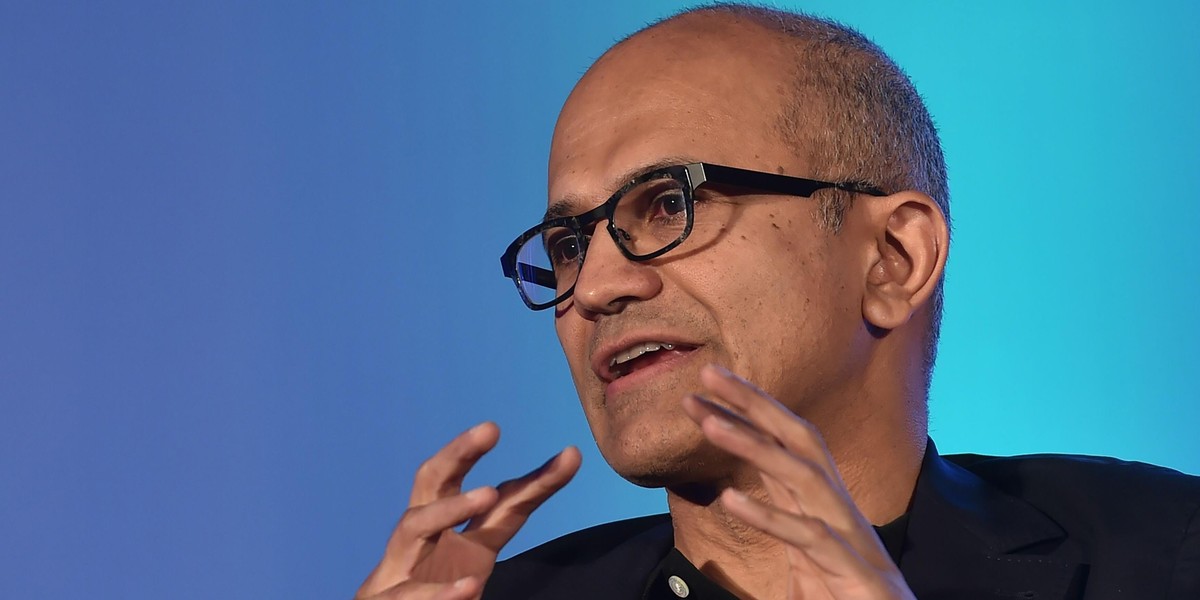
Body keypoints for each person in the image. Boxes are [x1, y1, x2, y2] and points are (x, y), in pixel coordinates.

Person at [356, 5, 1200, 599]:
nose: (598, 287)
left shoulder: (1164, 556)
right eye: (570, 245)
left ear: (893, 258)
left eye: (665, 203)